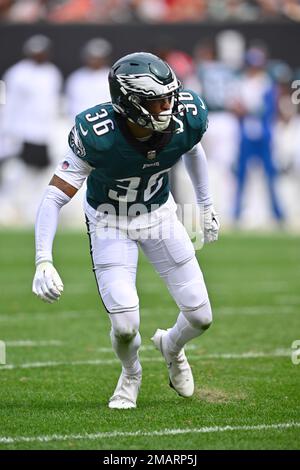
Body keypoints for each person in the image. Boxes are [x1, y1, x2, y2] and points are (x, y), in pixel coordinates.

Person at [32, 52, 219, 409]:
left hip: (159, 216)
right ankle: (131, 372)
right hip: (109, 221)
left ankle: (171, 346)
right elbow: (55, 196)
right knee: (125, 326)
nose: (168, 107)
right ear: (129, 103)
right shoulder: (98, 133)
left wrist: (206, 205)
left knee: (201, 317)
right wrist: (43, 259)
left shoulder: (186, 115)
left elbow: (193, 150)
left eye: (170, 97)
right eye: (157, 101)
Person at [65, 38, 112, 121]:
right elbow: (70, 103)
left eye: (98, 58)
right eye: (92, 57)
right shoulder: (76, 77)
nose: (94, 61)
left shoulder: (111, 76)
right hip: (80, 123)